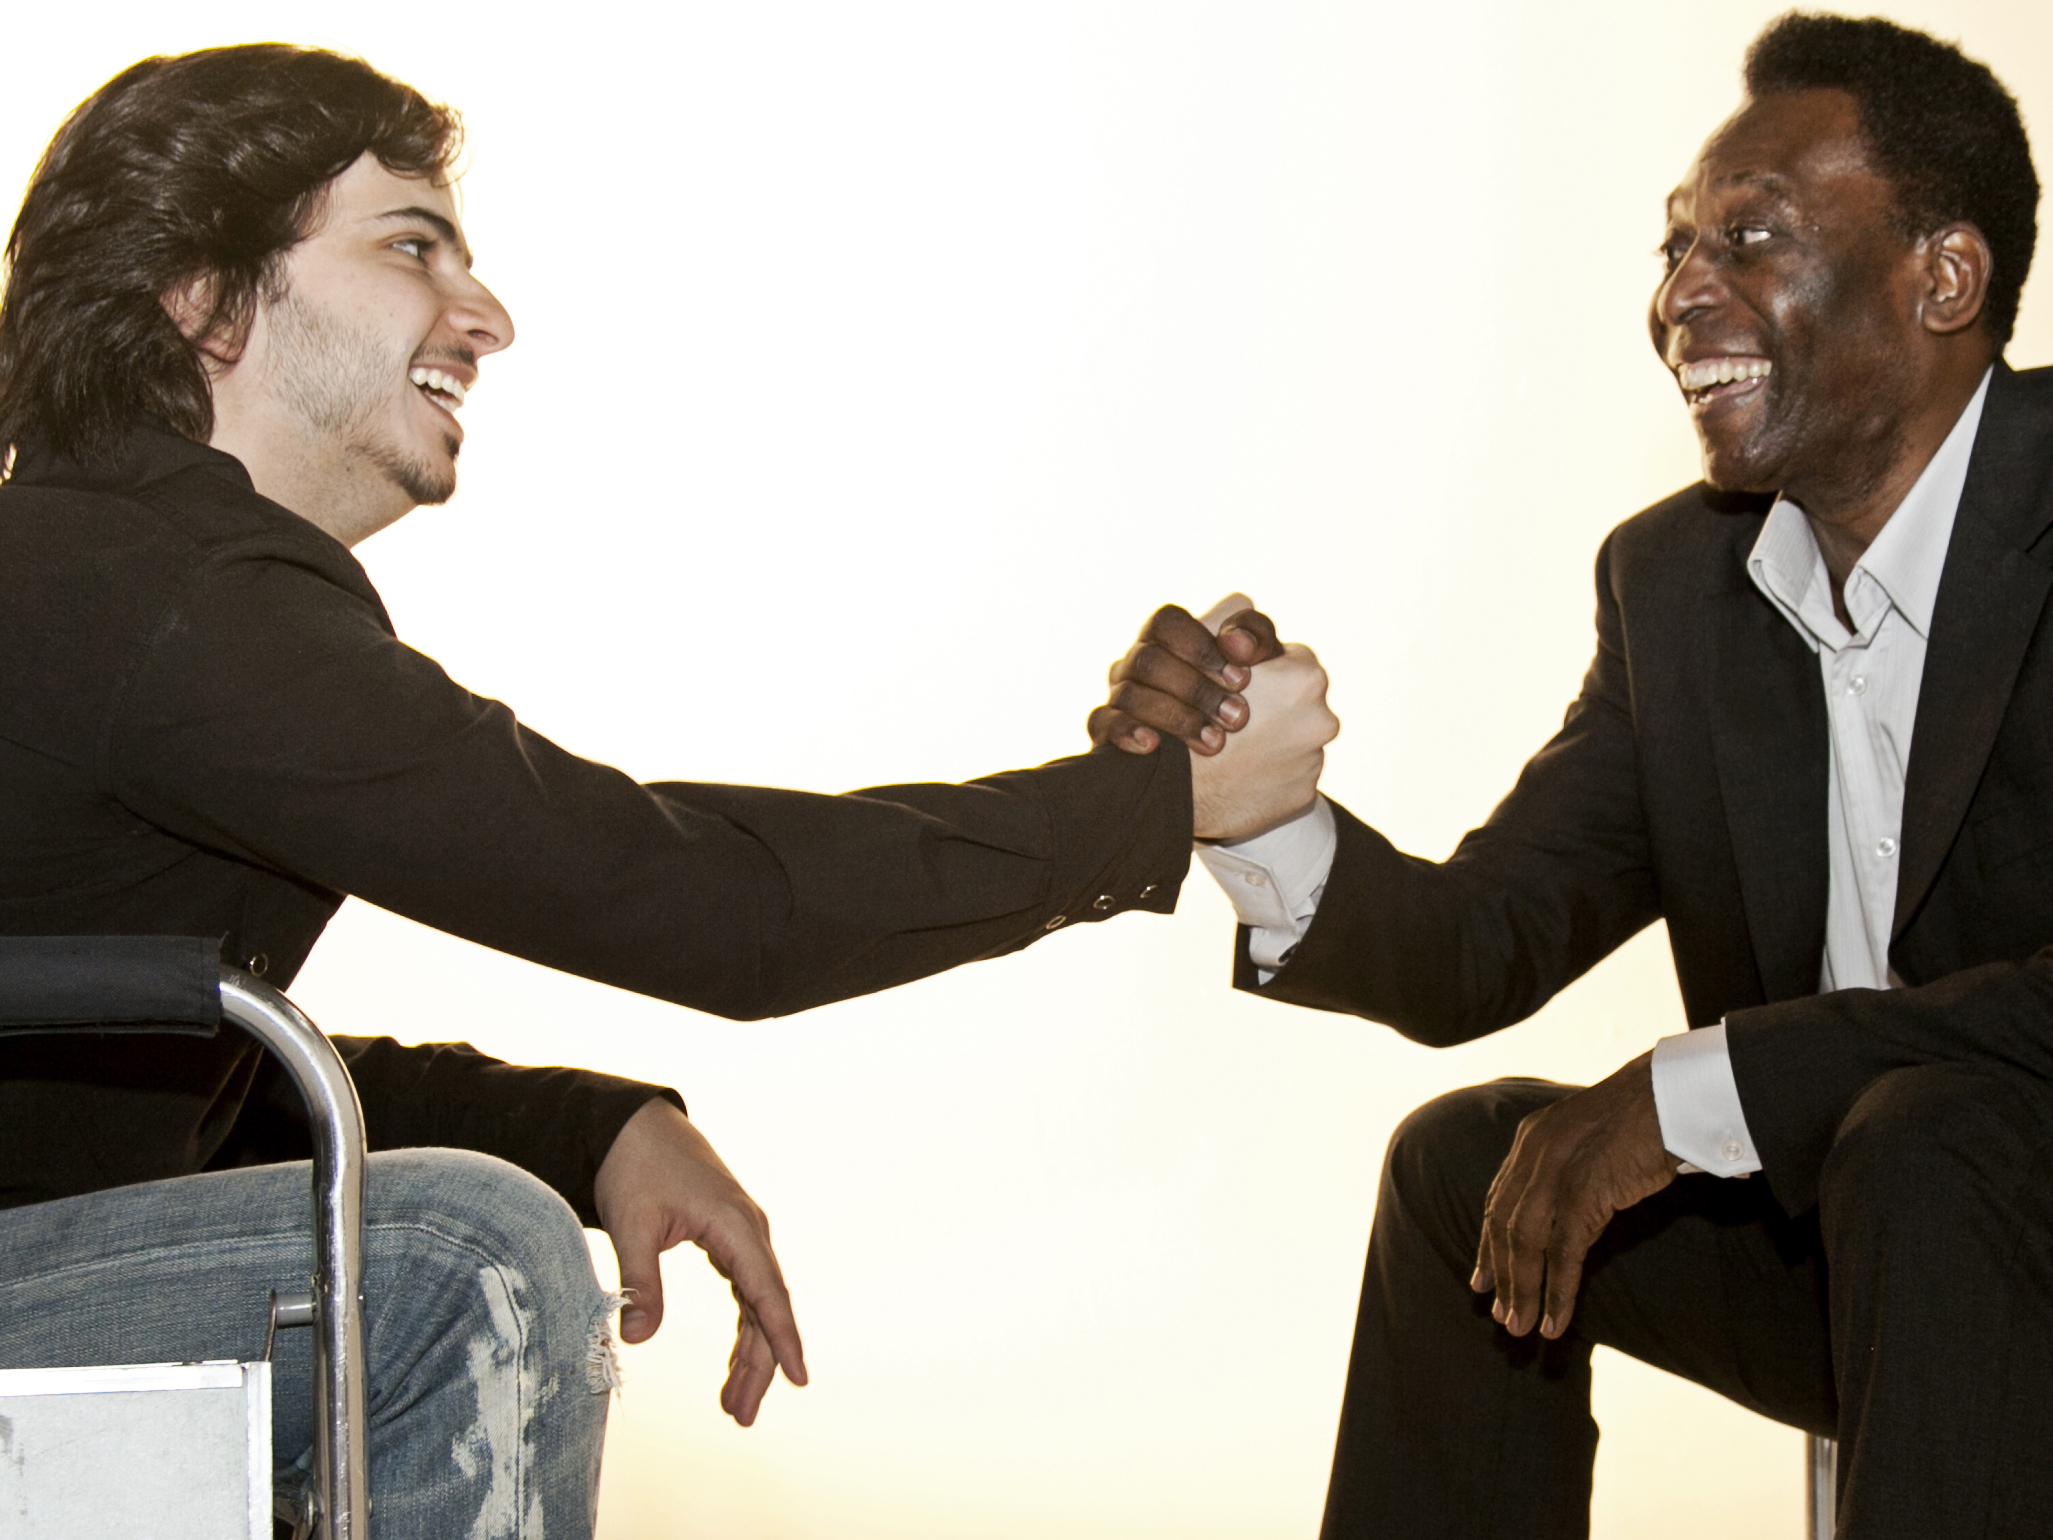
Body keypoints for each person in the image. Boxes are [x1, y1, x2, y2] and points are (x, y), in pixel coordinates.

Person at [0, 44, 1338, 1539]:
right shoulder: (165, 593)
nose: (488, 315)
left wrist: (588, 1125)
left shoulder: (101, 579)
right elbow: (696, 897)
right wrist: (1156, 809)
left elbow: (139, 1083)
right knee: (465, 1262)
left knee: (462, 1212)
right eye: (408, 245)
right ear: (205, 295)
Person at [1174, 12, 2050, 1538]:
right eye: (1672, 248)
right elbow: (1478, 941)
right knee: (1471, 1170)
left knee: (1921, 1136)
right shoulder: (1677, 588)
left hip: (1982, 1217)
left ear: (1944, 278)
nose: (1677, 298)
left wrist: (1685, 1096)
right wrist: (1261, 816)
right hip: (1876, 1263)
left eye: (1747, 237)